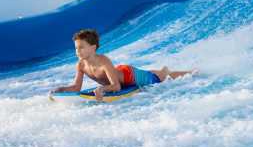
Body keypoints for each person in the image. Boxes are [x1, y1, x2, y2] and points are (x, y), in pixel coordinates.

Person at [51, 28, 193, 101]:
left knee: (160, 78)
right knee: (153, 73)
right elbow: (76, 87)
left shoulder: (103, 61)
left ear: (93, 48)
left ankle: (183, 71)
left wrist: (102, 89)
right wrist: (61, 89)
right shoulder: (81, 65)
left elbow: (116, 86)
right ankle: (160, 70)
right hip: (117, 72)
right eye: (76, 48)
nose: (78, 51)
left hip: (129, 76)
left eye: (81, 47)